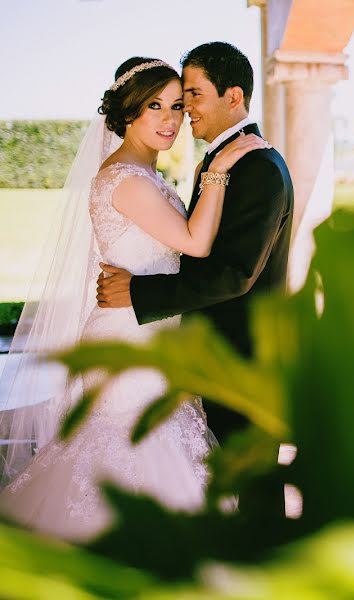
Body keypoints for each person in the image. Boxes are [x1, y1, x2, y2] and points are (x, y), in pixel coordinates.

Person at [0, 57, 267, 541]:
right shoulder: (123, 179)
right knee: (132, 450)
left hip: (152, 332)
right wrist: (220, 169)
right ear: (127, 113)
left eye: (178, 106)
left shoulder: (149, 177)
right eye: (154, 106)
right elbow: (196, 244)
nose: (170, 119)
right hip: (130, 338)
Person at [96, 42, 295, 444]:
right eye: (166, 102)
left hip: (240, 361)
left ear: (233, 96)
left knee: (250, 497)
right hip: (191, 353)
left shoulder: (256, 166)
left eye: (191, 95)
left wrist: (137, 291)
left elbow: (233, 275)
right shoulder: (213, 162)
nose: (184, 109)